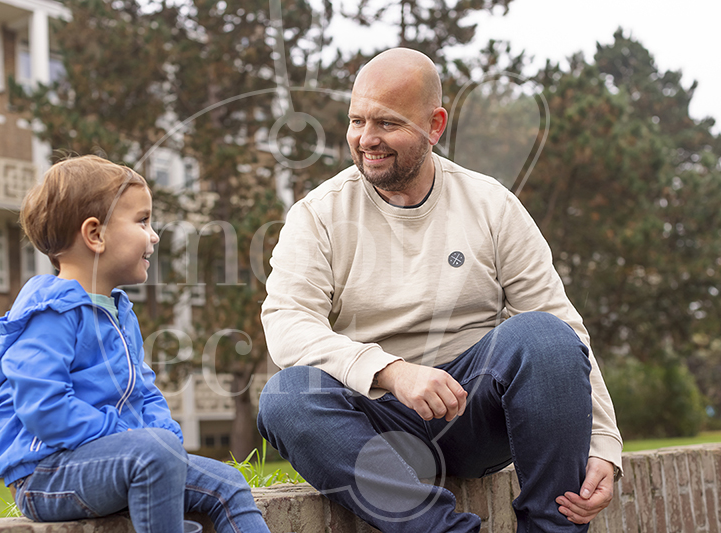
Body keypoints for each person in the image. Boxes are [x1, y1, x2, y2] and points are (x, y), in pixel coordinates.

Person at [257, 48, 623, 532]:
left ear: (434, 126)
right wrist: (392, 371)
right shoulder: (318, 214)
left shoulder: (492, 205)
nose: (367, 139)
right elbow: (287, 323)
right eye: (356, 121)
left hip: (473, 417)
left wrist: (602, 442)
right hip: (373, 425)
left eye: (386, 123)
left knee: (546, 335)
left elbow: (565, 326)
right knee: (285, 396)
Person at [0, 155, 270, 533]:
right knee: (153, 456)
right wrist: (134, 439)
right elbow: (44, 407)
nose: (154, 235)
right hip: (47, 475)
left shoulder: (118, 311)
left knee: (226, 483)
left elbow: (144, 392)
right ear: (95, 235)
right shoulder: (51, 314)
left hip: (125, 460)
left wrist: (167, 442)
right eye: (142, 221)